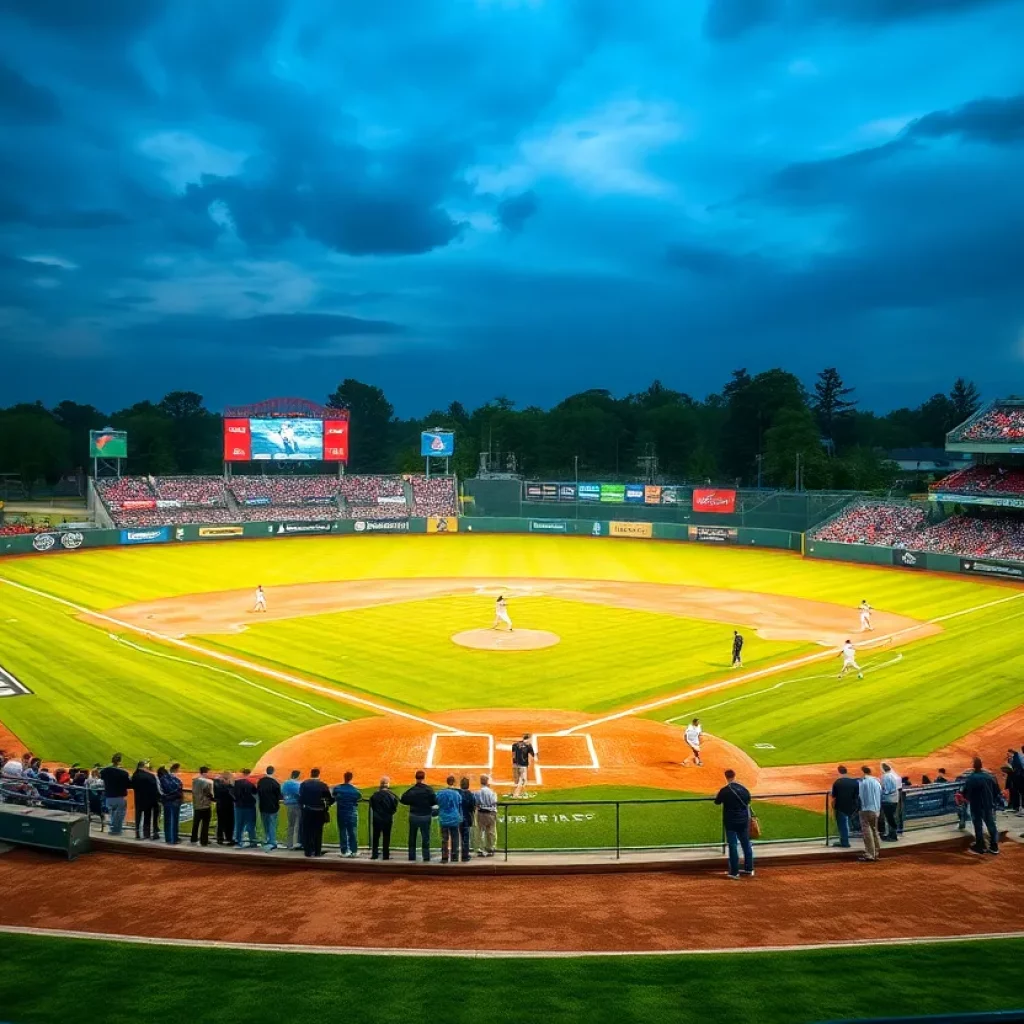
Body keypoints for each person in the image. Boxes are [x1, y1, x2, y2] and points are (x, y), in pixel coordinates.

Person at [714, 769, 754, 879]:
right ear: (734, 776)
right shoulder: (743, 788)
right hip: (743, 820)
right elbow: (748, 800)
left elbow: (717, 802)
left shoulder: (725, 790)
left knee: (733, 846)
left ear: (726, 777)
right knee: (746, 844)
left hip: (731, 821)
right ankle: (749, 869)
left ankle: (734, 872)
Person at [961, 756, 1001, 855]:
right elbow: (997, 791)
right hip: (988, 805)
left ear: (973, 766)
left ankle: (980, 846)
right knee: (991, 825)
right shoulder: (989, 777)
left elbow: (965, 793)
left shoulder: (971, 778)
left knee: (978, 826)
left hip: (976, 806)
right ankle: (994, 846)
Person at [400, 770, 437, 862]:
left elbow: (403, 799)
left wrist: (412, 802)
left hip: (414, 816)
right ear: (424, 778)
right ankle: (426, 857)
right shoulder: (429, 790)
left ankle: (412, 857)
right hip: (425, 816)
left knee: (412, 837)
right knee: (426, 837)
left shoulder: (412, 790)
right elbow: (434, 801)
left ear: (416, 778)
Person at [299, 768, 332, 858]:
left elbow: (301, 798)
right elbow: (329, 799)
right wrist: (326, 807)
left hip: (308, 811)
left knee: (307, 832)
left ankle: (308, 852)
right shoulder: (323, 785)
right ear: (318, 774)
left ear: (311, 774)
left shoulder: (304, 784)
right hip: (319, 812)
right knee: (318, 832)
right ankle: (317, 852)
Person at [100, 753, 131, 836]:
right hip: (119, 797)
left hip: (109, 797)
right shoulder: (124, 773)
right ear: (120, 761)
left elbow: (101, 775)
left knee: (112, 814)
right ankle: (116, 831)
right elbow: (129, 785)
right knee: (119, 816)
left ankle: (113, 829)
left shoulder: (105, 770)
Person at [368, 777, 399, 860]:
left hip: (377, 818)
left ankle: (374, 855)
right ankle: (386, 855)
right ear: (388, 784)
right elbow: (394, 807)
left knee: (375, 837)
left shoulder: (375, 795)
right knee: (386, 837)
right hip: (387, 819)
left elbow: (372, 805)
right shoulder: (392, 795)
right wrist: (390, 813)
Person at [332, 771, 362, 857]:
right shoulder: (355, 790)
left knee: (342, 832)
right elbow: (359, 797)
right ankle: (354, 851)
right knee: (353, 832)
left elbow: (334, 795)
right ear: (351, 778)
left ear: (344, 778)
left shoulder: (338, 788)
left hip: (341, 813)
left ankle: (344, 851)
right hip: (352, 813)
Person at [436, 775, 464, 864]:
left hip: (443, 818)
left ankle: (444, 857)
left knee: (444, 839)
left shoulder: (440, 793)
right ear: (454, 782)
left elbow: (436, 802)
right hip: (454, 819)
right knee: (455, 838)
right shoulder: (457, 794)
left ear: (447, 782)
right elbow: (459, 804)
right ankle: (454, 857)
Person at [831, 765, 860, 848]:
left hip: (840, 807)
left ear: (839, 772)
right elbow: (856, 795)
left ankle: (845, 842)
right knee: (850, 823)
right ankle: (851, 837)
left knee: (842, 825)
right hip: (852, 807)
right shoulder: (854, 782)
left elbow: (834, 795)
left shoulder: (837, 782)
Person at [858, 765, 883, 862]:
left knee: (867, 832)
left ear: (863, 772)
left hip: (866, 809)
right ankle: (876, 853)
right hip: (876, 810)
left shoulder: (863, 783)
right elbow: (880, 793)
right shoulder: (877, 782)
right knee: (875, 831)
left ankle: (869, 854)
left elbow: (860, 796)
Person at [131, 760, 160, 841]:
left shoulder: (135, 775)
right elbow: (155, 789)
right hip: (149, 799)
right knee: (147, 816)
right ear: (144, 766)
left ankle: (137, 833)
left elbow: (132, 785)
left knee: (138, 816)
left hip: (138, 799)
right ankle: (146, 833)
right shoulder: (150, 776)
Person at [257, 766, 282, 851]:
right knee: (272, 825)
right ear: (273, 772)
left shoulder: (261, 781)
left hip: (263, 806)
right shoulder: (275, 783)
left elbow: (258, 792)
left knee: (266, 824)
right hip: (272, 808)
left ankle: (267, 839)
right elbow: (279, 796)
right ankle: (272, 842)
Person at [232, 769, 258, 849]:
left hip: (239, 806)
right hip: (250, 806)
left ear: (243, 774)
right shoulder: (252, 783)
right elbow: (255, 793)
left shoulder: (236, 783)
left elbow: (233, 794)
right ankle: (252, 841)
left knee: (239, 825)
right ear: (249, 774)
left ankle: (238, 841)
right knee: (251, 825)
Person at [159, 763, 184, 845]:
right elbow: (179, 792)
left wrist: (166, 798)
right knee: (174, 821)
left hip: (167, 802)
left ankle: (169, 839)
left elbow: (162, 792)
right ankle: (174, 839)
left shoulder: (162, 779)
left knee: (167, 821)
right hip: (174, 802)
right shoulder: (177, 780)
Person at [474, 774, 499, 858]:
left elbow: (476, 804)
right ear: (487, 782)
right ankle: (491, 849)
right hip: (491, 814)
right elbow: (494, 803)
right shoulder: (492, 793)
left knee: (480, 832)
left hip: (481, 814)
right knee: (491, 832)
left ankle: (480, 850)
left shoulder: (477, 793)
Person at [191, 766, 214, 846]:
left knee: (196, 823)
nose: (209, 774)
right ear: (205, 773)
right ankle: (204, 841)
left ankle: (193, 839)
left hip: (196, 805)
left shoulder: (194, 781)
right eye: (208, 772)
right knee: (205, 824)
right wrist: (213, 799)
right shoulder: (206, 782)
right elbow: (208, 793)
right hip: (205, 806)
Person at [880, 762, 902, 842]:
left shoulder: (885, 776)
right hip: (894, 800)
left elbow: (887, 790)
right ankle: (891, 834)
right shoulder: (892, 775)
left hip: (888, 800)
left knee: (889, 818)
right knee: (891, 817)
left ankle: (892, 836)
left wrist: (881, 792)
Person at [281, 769, 302, 850]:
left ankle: (289, 844)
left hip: (288, 804)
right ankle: (296, 843)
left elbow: (282, 792)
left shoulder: (285, 783)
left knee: (290, 825)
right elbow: (300, 794)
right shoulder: (297, 784)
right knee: (298, 825)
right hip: (296, 805)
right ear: (298, 776)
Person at [510, 734, 535, 798]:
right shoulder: (528, 745)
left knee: (517, 781)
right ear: (528, 739)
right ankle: (516, 795)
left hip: (515, 765)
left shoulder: (515, 745)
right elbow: (533, 755)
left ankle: (521, 793)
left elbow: (513, 755)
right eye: (530, 739)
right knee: (522, 781)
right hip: (523, 766)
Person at [214, 770, 235, 845]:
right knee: (230, 823)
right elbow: (233, 797)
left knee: (221, 822)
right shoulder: (229, 788)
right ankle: (229, 838)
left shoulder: (217, 785)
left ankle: (220, 838)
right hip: (228, 807)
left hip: (220, 806)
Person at [458, 777, 476, 863]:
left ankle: (457, 854)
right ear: (468, 785)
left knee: (460, 836)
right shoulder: (470, 794)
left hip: (458, 817)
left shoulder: (457, 793)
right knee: (466, 837)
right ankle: (465, 856)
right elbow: (472, 807)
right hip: (467, 818)